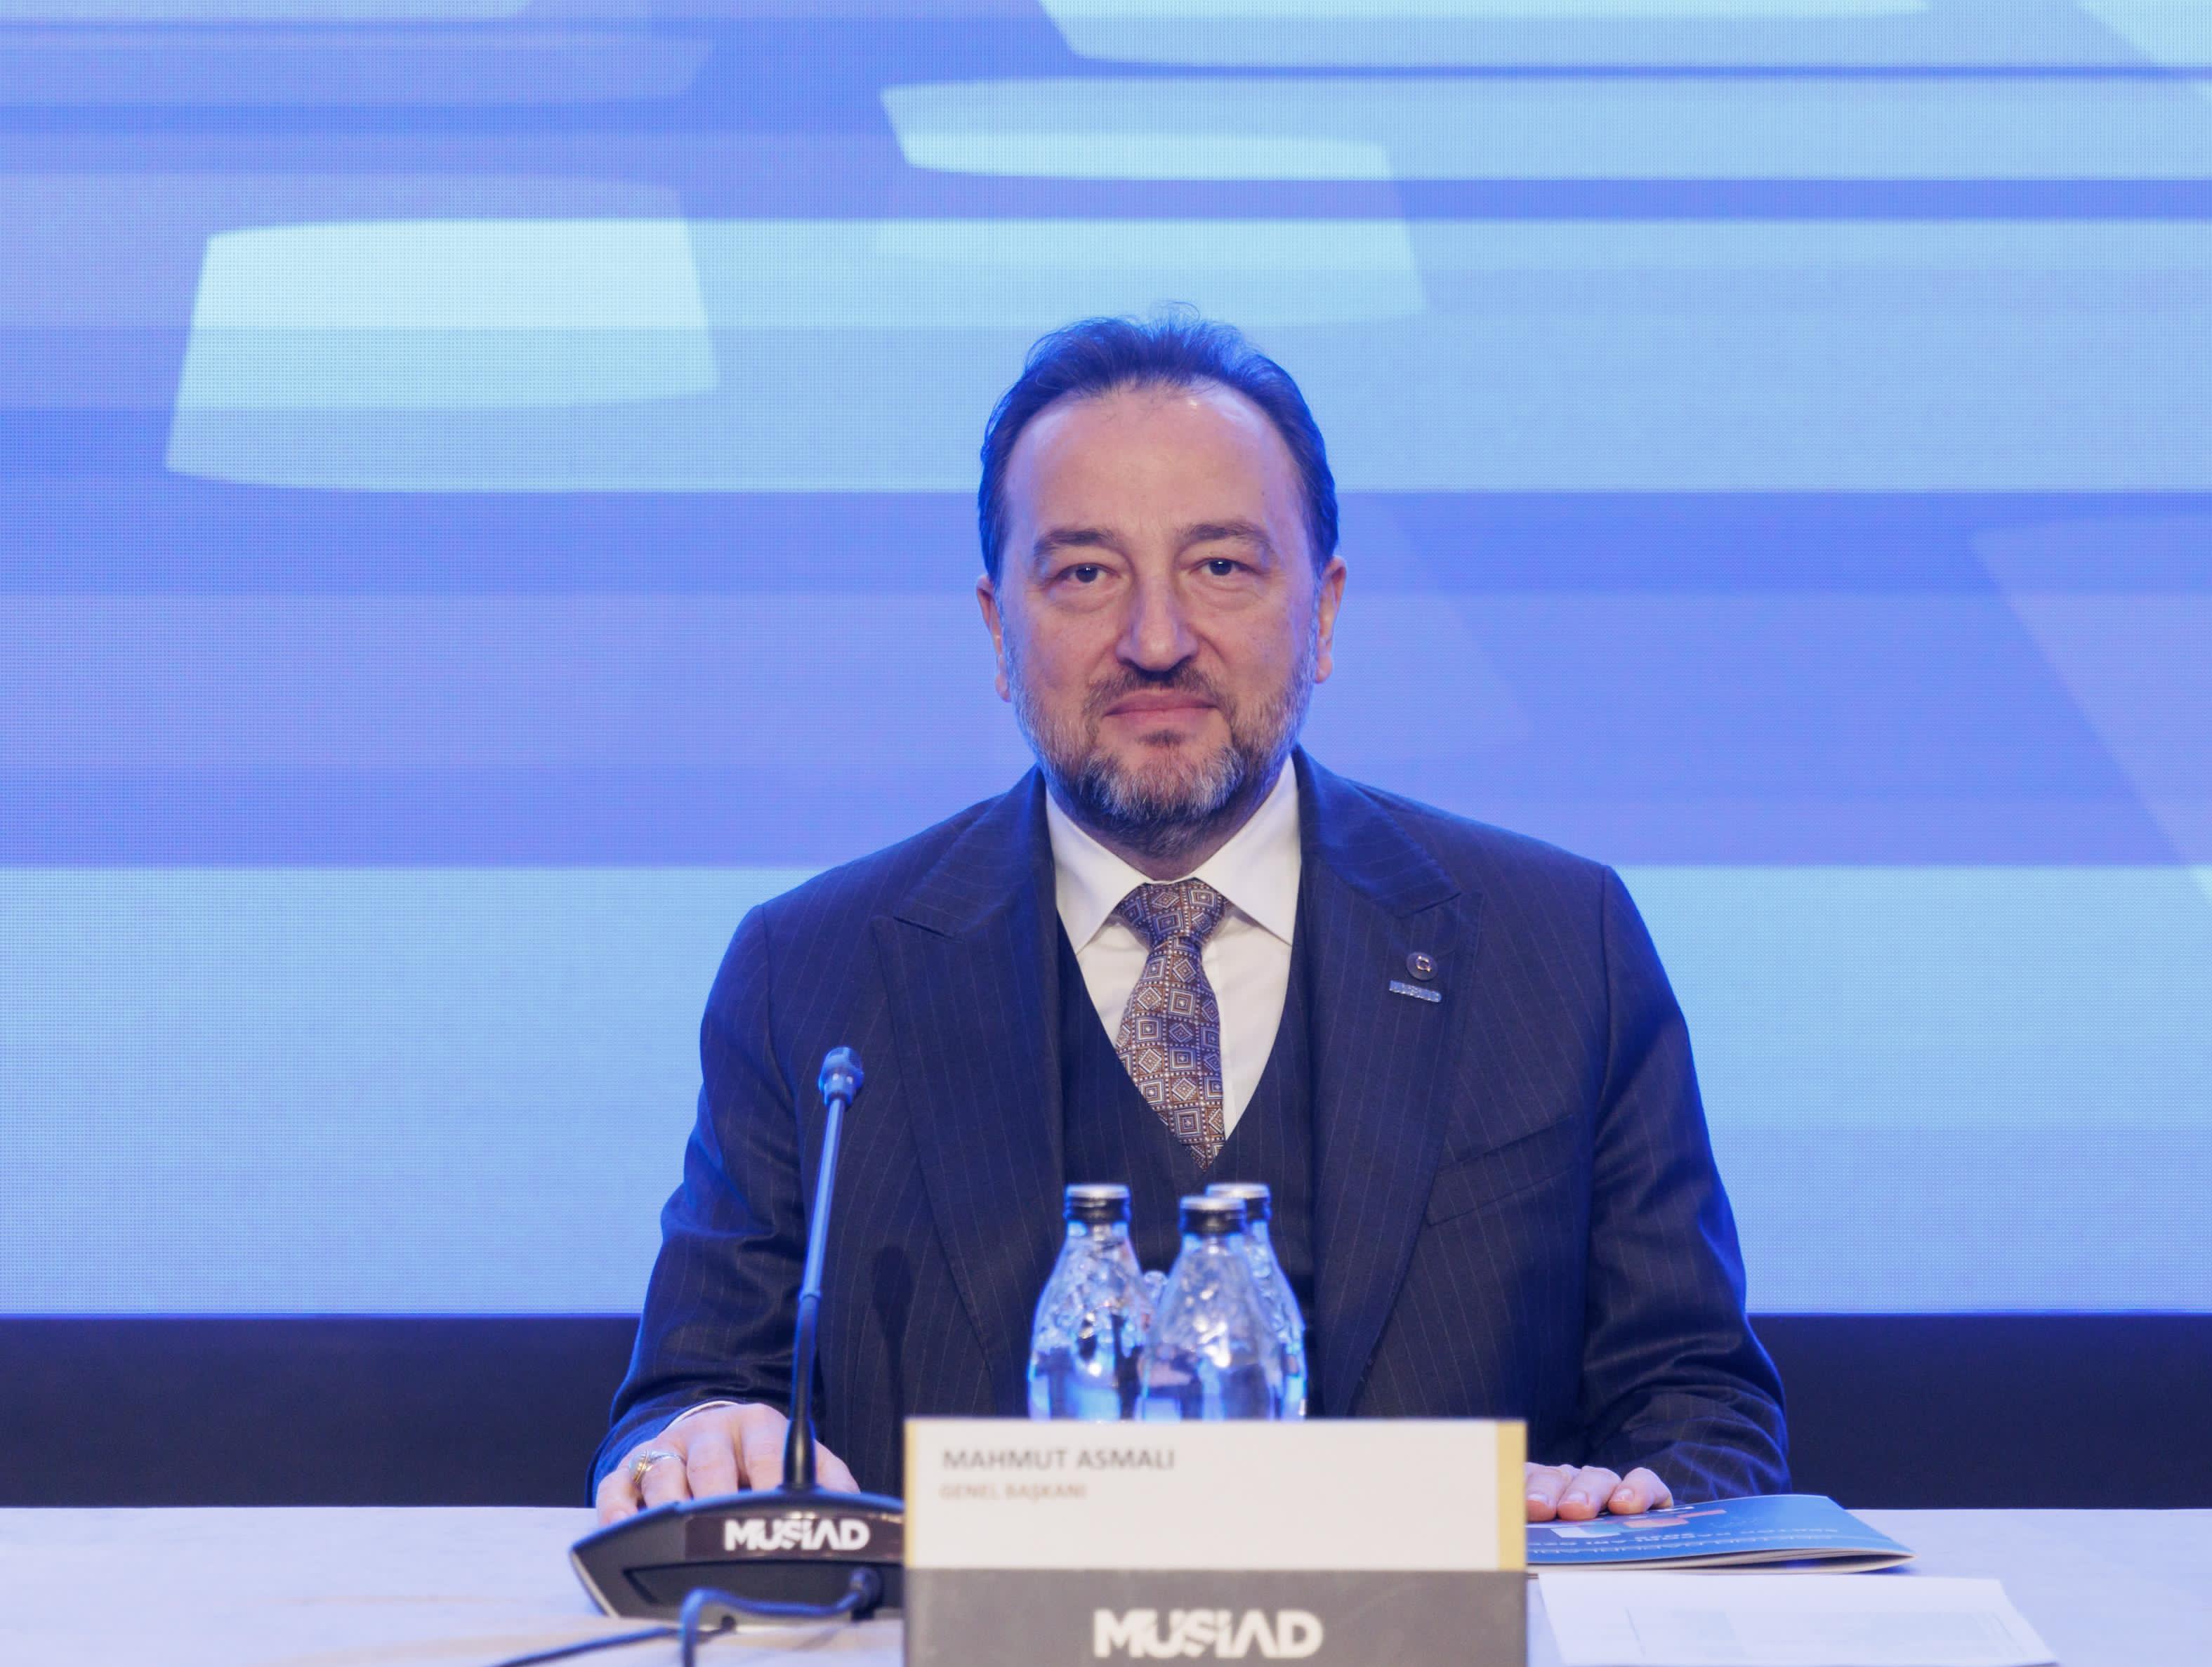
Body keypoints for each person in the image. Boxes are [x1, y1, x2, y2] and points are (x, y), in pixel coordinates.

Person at [593, 310, 1787, 1527]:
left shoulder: (1558, 946)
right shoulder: (812, 972)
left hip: (1444, 1646)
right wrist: (705, 1441)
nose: (1155, 641)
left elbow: (1699, 1411)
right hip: (956, 1652)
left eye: (1221, 567)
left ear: (1323, 612)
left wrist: (1612, 1515)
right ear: (998, 630)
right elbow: (683, 1405)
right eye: (1085, 575)